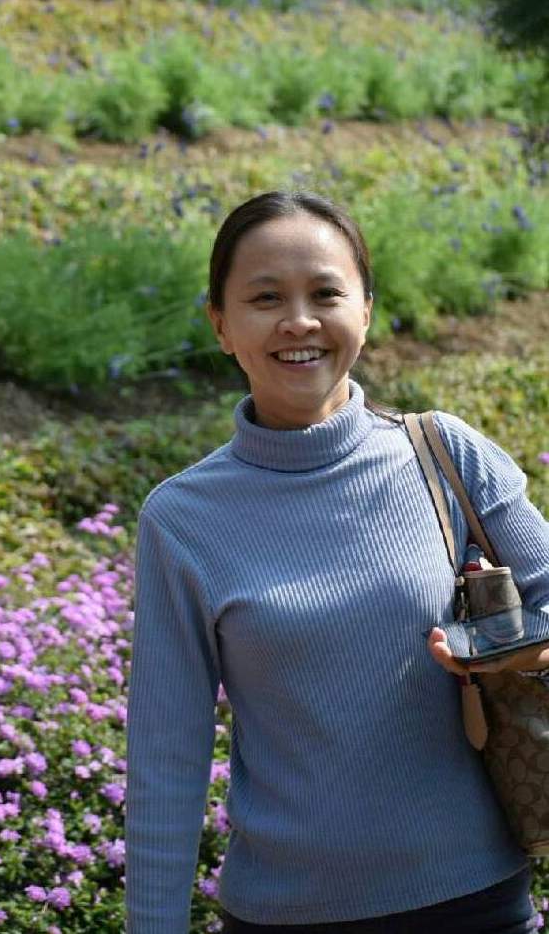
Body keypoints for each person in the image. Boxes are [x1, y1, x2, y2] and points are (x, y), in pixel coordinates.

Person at [124, 190, 549, 933]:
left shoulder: (446, 456)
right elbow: (166, 754)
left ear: (366, 311)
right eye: (265, 298)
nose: (299, 321)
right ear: (220, 324)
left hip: (477, 900)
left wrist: (500, 647)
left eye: (325, 293)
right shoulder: (182, 518)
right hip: (283, 912)